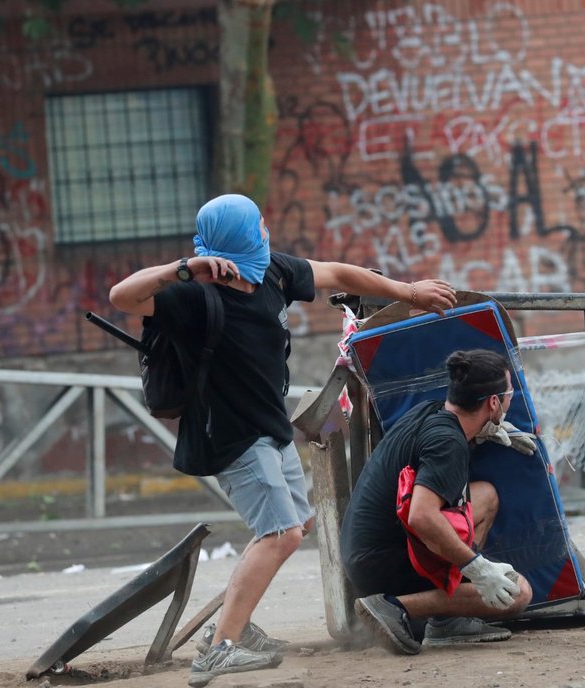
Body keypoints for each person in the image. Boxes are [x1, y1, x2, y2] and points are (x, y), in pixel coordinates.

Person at [108, 193, 457, 686]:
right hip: (230, 435)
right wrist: (184, 268)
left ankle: (230, 626)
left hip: (270, 426)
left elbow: (337, 273)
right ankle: (220, 649)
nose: (267, 228)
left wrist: (408, 291)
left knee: (297, 522)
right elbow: (121, 296)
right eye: (259, 224)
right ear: (243, 235)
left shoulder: (271, 271)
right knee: (280, 534)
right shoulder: (192, 294)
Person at [339, 348, 533, 655]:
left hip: (365, 550)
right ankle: (392, 606)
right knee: (518, 592)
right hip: (383, 564)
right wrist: (477, 569)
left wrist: (488, 433)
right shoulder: (448, 444)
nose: (510, 402)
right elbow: (421, 517)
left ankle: (447, 623)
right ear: (493, 403)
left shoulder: (432, 413)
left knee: (486, 496)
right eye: (508, 394)